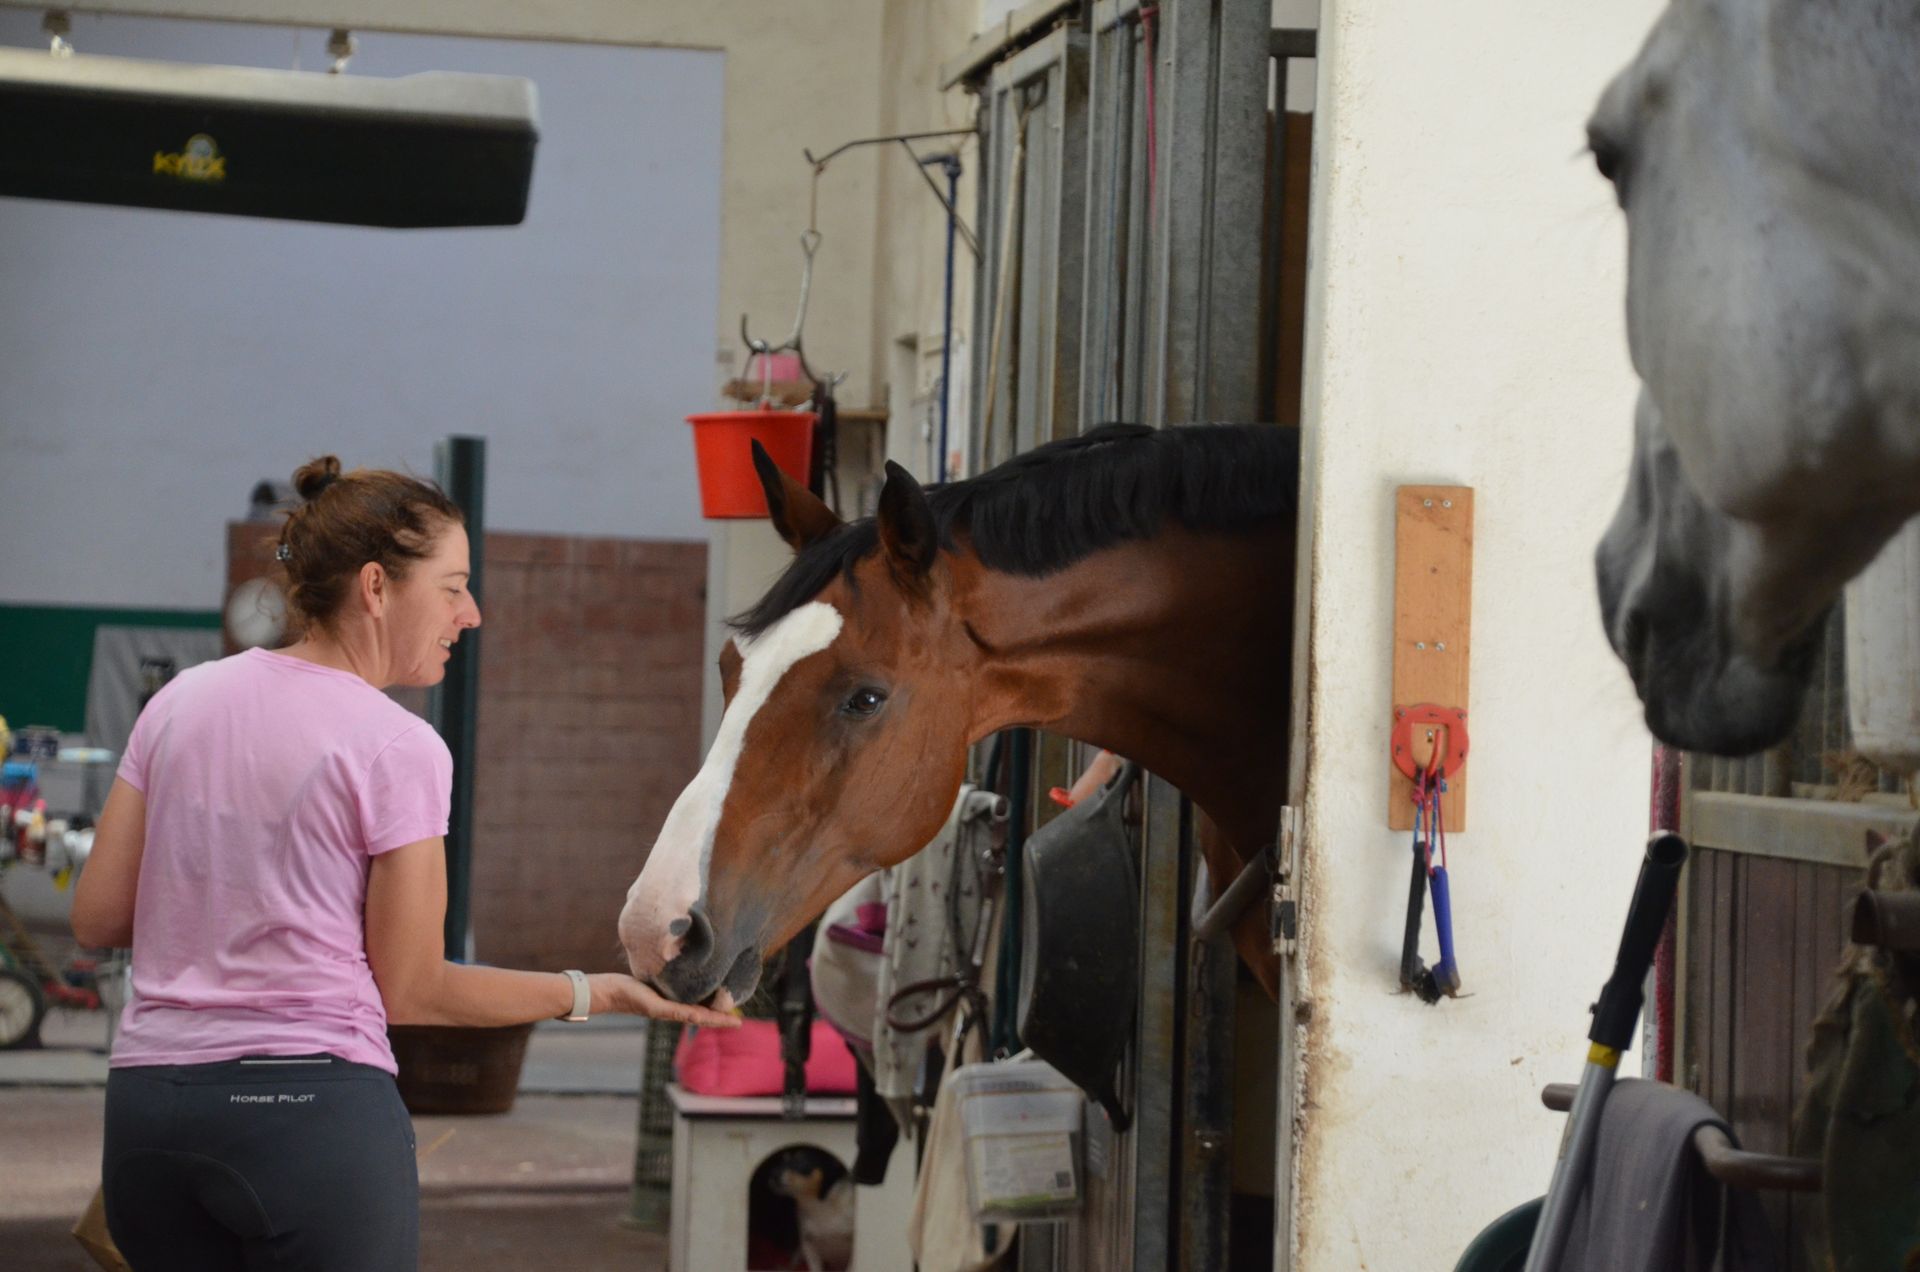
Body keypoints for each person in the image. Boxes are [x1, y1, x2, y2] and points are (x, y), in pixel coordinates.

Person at [71, 456, 736, 1272]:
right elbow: (414, 989)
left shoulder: (179, 702)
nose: (472, 613)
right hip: (306, 1118)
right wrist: (595, 992)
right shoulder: (398, 745)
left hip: (148, 1114)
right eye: (453, 587)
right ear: (377, 587)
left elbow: (98, 917)